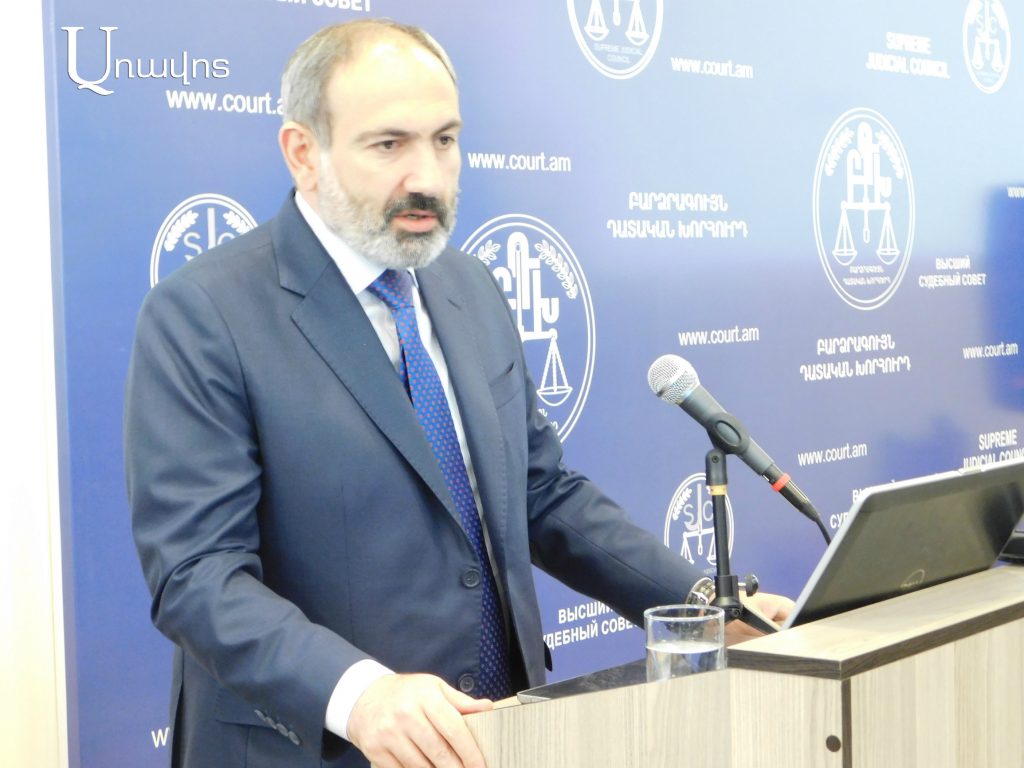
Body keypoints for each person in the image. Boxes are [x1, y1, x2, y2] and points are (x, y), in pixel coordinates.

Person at [125, 19, 792, 768]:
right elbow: (197, 576)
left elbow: (540, 494)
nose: (428, 178)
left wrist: (707, 608)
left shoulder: (469, 286)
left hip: (496, 733)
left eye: (444, 140)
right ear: (303, 152)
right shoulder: (205, 314)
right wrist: (359, 694)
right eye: (389, 145)